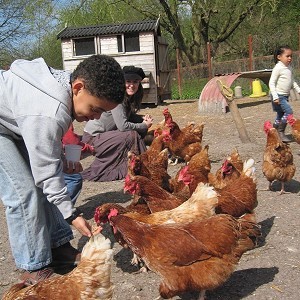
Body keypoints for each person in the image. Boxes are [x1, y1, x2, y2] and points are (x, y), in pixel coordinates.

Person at [0, 54, 125, 285]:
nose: (95, 117)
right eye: (95, 109)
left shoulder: (66, 89)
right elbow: (46, 172)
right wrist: (72, 214)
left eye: (101, 113)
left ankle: (57, 247)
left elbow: (54, 139)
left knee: (46, 186)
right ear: (78, 87)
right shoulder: (49, 110)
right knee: (24, 193)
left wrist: (67, 156)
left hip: (15, 122)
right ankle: (33, 265)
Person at [81, 65, 153, 182]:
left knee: (134, 133)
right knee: (131, 134)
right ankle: (140, 166)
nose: (132, 85)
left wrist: (141, 118)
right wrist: (144, 125)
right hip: (93, 139)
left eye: (135, 82)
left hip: (106, 136)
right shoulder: (117, 99)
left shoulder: (126, 98)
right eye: (128, 81)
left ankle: (139, 166)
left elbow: (126, 116)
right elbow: (123, 126)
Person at [269, 45, 300, 143]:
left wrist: (298, 90)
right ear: (279, 57)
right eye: (287, 56)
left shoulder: (289, 68)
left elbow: (292, 81)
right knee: (289, 112)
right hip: (278, 96)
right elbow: (271, 82)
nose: (290, 58)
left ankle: (273, 132)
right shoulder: (278, 68)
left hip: (285, 96)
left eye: (291, 56)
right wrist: (275, 96)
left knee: (280, 115)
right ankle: (281, 132)